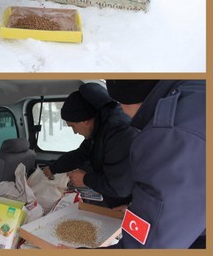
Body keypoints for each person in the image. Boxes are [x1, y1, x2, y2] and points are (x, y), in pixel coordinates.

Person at [104, 80, 205, 249]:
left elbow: (150, 247)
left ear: (133, 99)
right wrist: (139, 211)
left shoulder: (168, 135)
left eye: (121, 102)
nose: (120, 108)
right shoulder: (196, 90)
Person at [42, 83, 136, 208]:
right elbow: (80, 154)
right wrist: (53, 168)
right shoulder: (100, 129)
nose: (75, 132)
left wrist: (84, 179)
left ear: (85, 120)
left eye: (73, 126)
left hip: (129, 203)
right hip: (116, 199)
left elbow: (120, 187)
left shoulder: (118, 133)